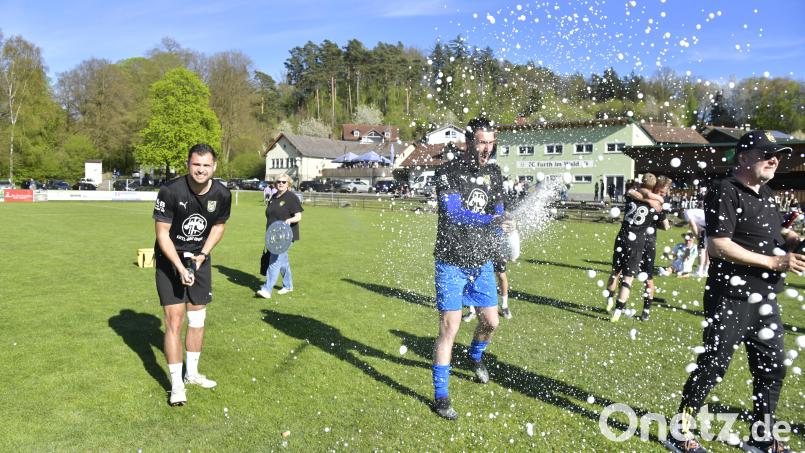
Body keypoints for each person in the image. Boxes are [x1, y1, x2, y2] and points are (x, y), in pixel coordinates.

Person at [669, 131, 804, 453]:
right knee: (714, 364)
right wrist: (774, 261)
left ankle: (761, 437)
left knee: (772, 368)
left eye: (778, 155)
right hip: (731, 297)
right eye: (766, 153)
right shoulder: (724, 191)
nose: (775, 160)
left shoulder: (767, 194)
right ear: (743, 157)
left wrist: (792, 240)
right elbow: (718, 246)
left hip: (764, 300)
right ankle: (679, 431)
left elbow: (773, 233)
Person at [431, 117, 511, 420]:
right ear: (468, 142)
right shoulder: (448, 172)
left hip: (481, 261)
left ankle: (474, 357)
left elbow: (499, 207)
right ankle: (441, 396)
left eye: (491, 142)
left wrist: (504, 227)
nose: (487, 148)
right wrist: (491, 221)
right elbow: (453, 213)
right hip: (450, 261)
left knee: (491, 322)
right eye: (481, 142)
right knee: (450, 326)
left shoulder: (494, 171)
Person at [152, 144, 232, 407]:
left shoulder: (222, 193)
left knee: (197, 317)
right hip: (169, 259)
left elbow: (218, 227)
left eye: (206, 165)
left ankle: (193, 374)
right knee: (174, 320)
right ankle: (176, 386)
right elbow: (162, 234)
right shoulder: (170, 191)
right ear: (188, 164)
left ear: (214, 167)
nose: (201, 170)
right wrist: (178, 265)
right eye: (196, 164)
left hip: (199, 258)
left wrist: (201, 256)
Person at [604, 173, 665, 322]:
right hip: (637, 243)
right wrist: (650, 201)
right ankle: (618, 311)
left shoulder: (632, 196)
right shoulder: (657, 204)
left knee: (615, 272)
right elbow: (664, 221)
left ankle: (609, 300)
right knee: (628, 278)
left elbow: (631, 192)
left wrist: (644, 197)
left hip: (622, 238)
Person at [631, 175, 672, 321]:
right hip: (640, 241)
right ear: (654, 188)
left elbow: (631, 191)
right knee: (628, 275)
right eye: (661, 192)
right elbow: (666, 227)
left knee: (647, 278)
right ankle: (619, 305)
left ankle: (645, 310)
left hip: (646, 243)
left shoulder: (646, 197)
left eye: (664, 194)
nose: (663, 196)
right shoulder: (649, 198)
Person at [256, 174, 303, 299]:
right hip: (273, 235)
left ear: (288, 184)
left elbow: (298, 216)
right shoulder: (274, 196)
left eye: (283, 182)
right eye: (278, 182)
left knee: (275, 260)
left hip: (286, 235)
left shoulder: (291, 197)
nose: (281, 184)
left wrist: (290, 220)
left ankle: (267, 289)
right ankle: (288, 285)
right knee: (283, 262)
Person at [684, 207, 709, 278]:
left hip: (707, 227)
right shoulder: (694, 211)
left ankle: (699, 271)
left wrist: (697, 236)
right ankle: (706, 271)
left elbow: (693, 225)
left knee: (701, 249)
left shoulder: (687, 212)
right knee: (708, 250)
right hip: (711, 226)